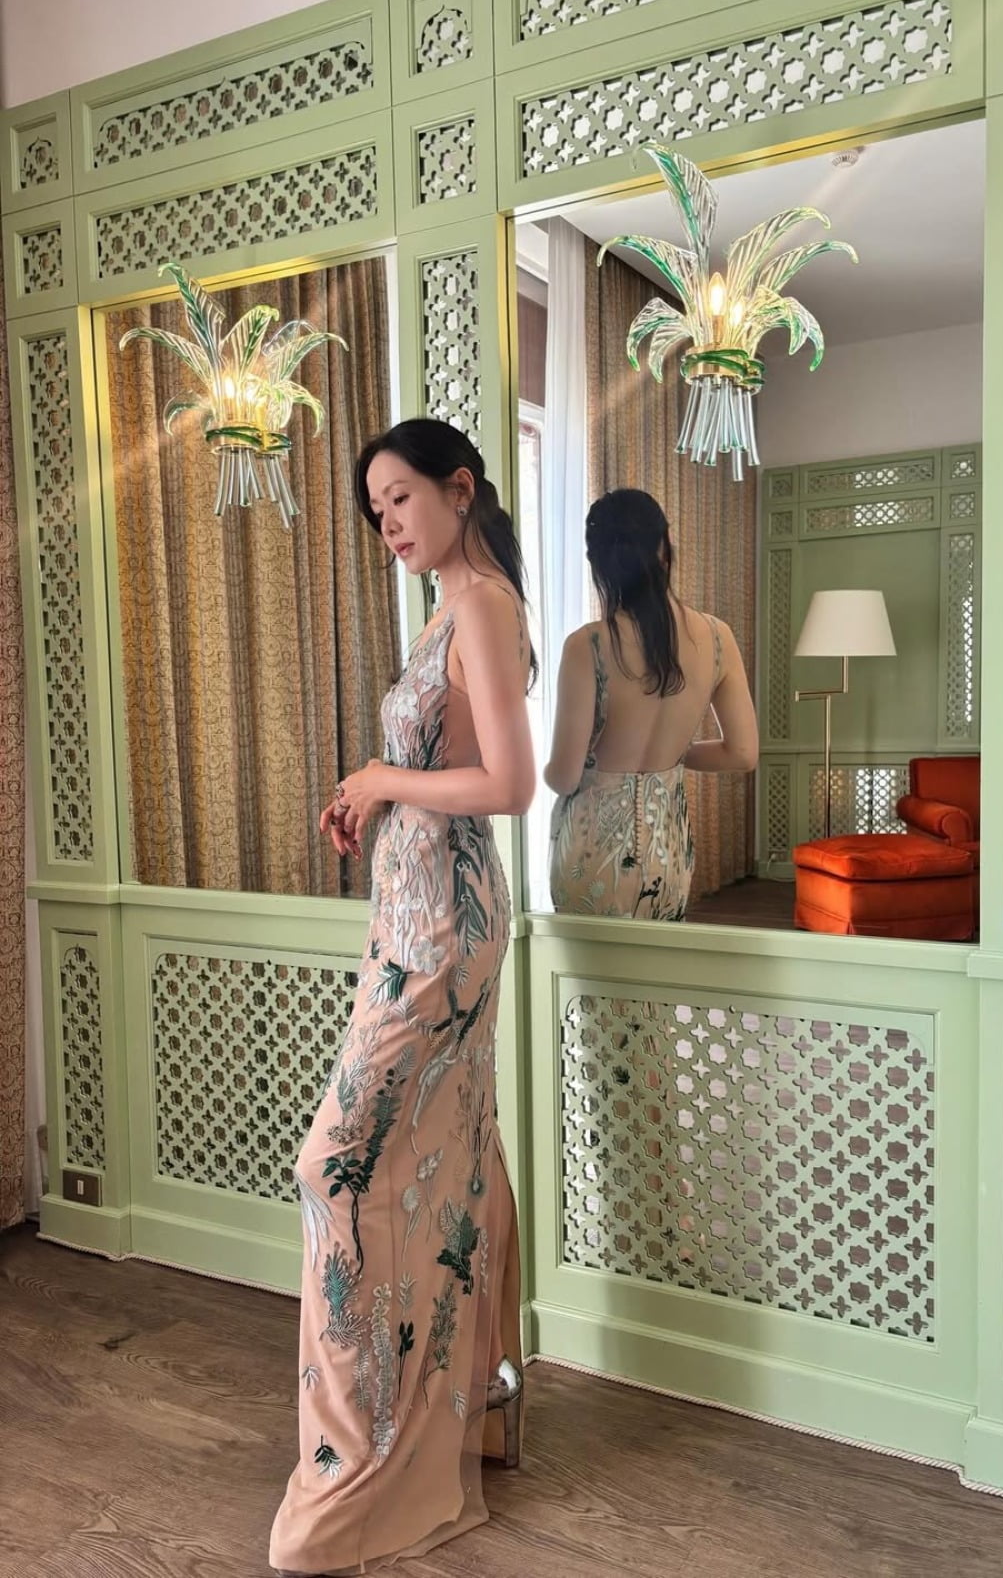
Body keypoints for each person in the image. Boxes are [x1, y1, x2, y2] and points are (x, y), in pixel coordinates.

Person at [270, 418, 536, 1578]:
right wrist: (376, 797)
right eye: (374, 510)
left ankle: (359, 1464)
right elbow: (453, 767)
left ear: (459, 489)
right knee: (454, 1146)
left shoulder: (480, 603)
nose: (386, 523)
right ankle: (470, 1396)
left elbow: (511, 784)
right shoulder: (445, 608)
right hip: (414, 921)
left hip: (443, 936)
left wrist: (383, 775)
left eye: (400, 499)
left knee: (334, 1165)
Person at [545, 488, 758, 920]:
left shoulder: (587, 645)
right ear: (665, 546)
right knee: (655, 963)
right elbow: (742, 753)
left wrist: (549, 769)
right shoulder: (717, 637)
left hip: (589, 852)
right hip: (668, 850)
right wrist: (675, 754)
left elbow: (564, 777)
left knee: (593, 965)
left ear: (598, 563)